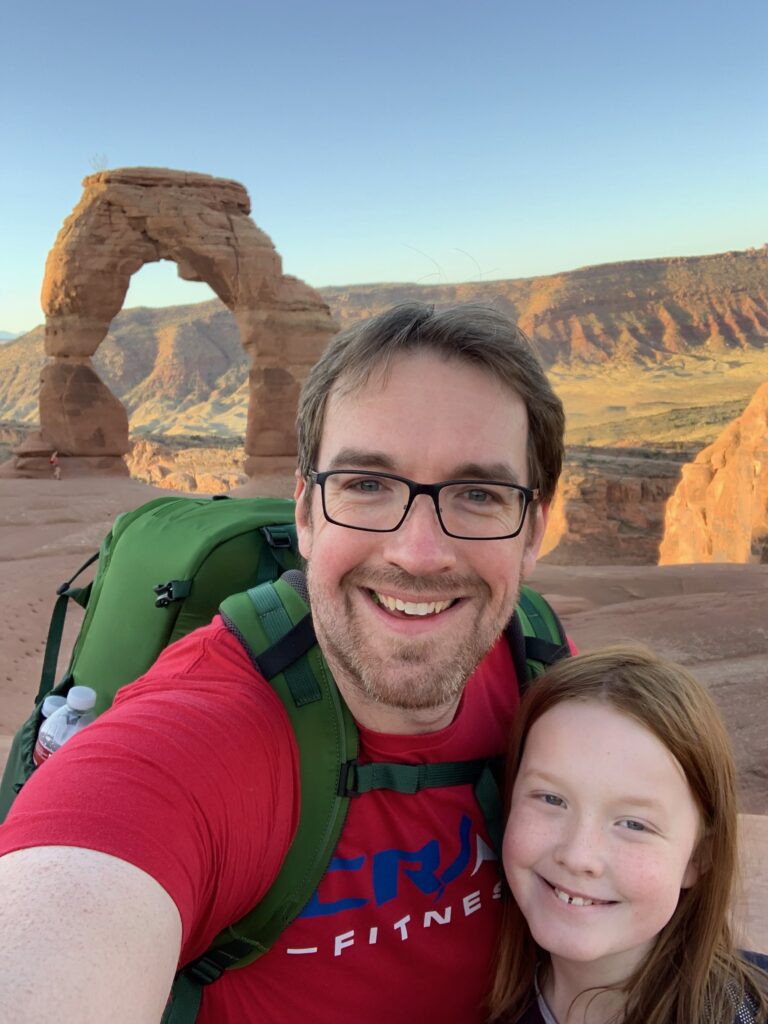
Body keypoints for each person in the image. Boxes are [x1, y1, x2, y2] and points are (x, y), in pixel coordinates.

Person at [0, 302, 566, 1023]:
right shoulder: (200, 740)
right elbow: (71, 891)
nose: (418, 552)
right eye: (366, 484)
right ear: (304, 512)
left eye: (480, 494)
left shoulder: (541, 665)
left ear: (533, 532)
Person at [490, 645, 768, 1024]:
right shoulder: (485, 999)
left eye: (634, 824)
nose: (578, 855)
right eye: (551, 798)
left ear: (698, 857)